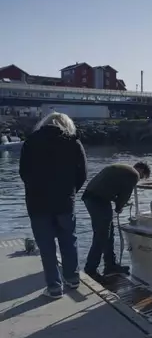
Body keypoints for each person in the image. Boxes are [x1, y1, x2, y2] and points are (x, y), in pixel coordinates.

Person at [19, 112, 87, 299]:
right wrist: (70, 192)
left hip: (37, 203)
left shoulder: (31, 142)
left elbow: (23, 172)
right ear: (67, 125)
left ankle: (54, 287)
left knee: (46, 247)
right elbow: (82, 174)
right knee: (68, 241)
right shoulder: (73, 142)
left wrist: (34, 189)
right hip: (65, 201)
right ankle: (72, 279)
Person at [82, 162, 151, 281]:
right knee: (102, 235)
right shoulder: (134, 175)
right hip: (98, 200)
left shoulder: (123, 169)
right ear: (141, 170)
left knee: (109, 232)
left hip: (94, 197)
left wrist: (117, 202)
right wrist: (119, 207)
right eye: (143, 176)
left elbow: (110, 186)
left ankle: (110, 265)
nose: (139, 180)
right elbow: (125, 195)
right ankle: (91, 270)